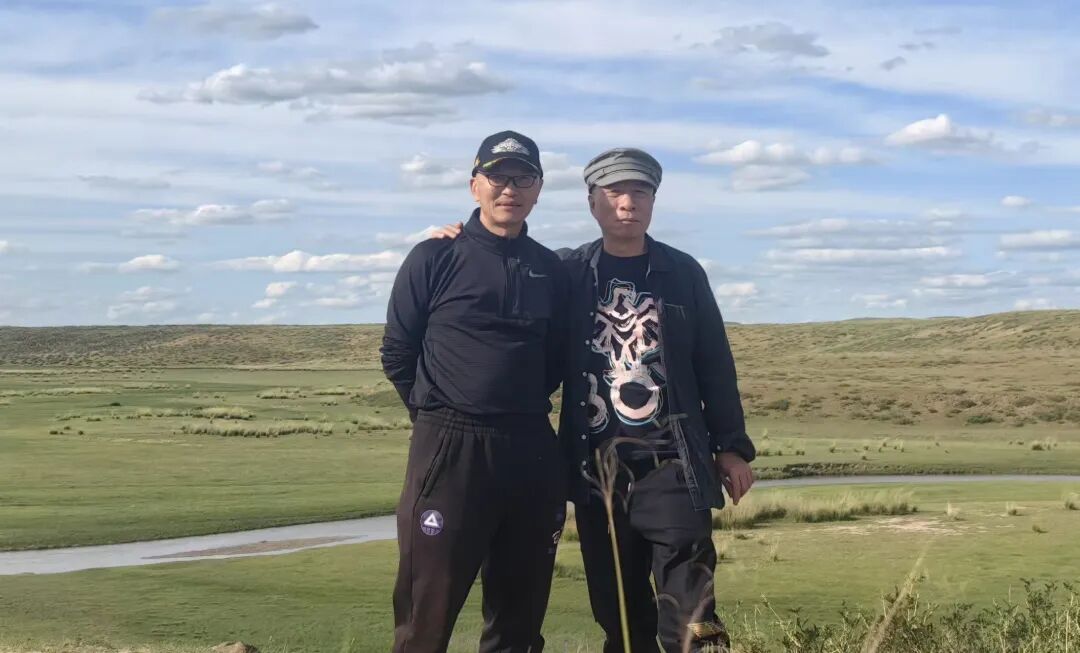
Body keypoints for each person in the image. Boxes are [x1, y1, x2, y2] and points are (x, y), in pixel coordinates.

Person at [431, 147, 755, 652]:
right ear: (591, 202)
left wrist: (730, 447)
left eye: (640, 192)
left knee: (692, 607)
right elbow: (507, 275)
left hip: (673, 465)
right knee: (617, 609)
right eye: (615, 192)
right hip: (595, 469)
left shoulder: (682, 272)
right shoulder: (566, 271)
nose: (628, 203)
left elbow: (714, 362)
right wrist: (459, 241)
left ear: (653, 201)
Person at [380, 130, 568, 653]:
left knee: (519, 616)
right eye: (498, 176)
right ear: (474, 185)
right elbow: (397, 353)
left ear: (538, 189)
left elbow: (556, 361)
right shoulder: (433, 257)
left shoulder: (551, 269)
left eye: (523, 178)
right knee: (427, 611)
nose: (510, 188)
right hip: (449, 446)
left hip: (529, 445)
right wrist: (436, 415)